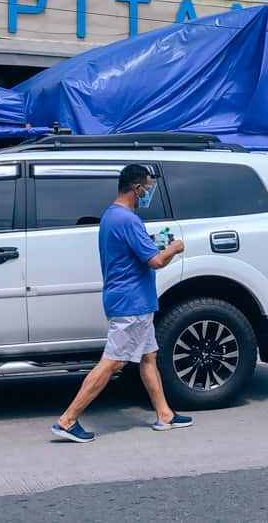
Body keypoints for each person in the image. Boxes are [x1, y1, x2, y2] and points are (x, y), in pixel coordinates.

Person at [51, 164, 191, 443]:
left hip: (129, 299)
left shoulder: (111, 216)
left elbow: (137, 251)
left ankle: (165, 415)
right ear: (137, 188)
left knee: (148, 356)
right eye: (147, 188)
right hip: (132, 303)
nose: (148, 193)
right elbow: (156, 261)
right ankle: (67, 420)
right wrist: (174, 248)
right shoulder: (128, 220)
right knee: (112, 363)